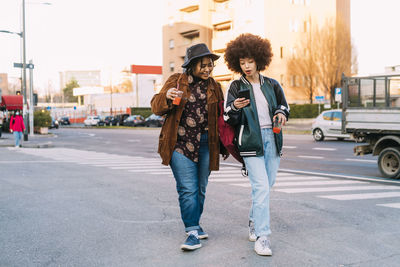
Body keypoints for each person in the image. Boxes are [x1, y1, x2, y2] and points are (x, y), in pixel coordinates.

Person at [151, 43, 227, 251]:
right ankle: (192, 231)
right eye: (203, 65)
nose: (207, 69)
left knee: (200, 188)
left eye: (210, 65)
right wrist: (166, 97)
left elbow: (222, 117)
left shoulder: (214, 87)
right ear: (192, 65)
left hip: (205, 144)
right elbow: (156, 107)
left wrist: (227, 144)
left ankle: (195, 223)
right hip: (179, 144)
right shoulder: (176, 81)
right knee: (188, 188)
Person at [224, 33, 290, 256]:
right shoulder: (234, 86)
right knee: (261, 187)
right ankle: (263, 237)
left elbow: (284, 106)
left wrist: (281, 113)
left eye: (250, 61)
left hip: (272, 138)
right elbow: (227, 117)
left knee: (266, 187)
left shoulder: (272, 84)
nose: (246, 66)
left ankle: (253, 220)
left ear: (259, 60)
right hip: (250, 141)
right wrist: (235, 107)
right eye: (241, 62)